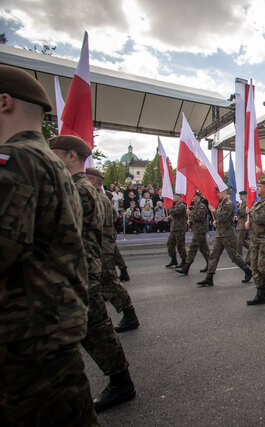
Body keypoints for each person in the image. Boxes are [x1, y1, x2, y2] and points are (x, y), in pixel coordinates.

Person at [0, 65, 97, 425]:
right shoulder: (48, 164)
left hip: (28, 328)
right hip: (46, 319)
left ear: (4, 102)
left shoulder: (19, 160)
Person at [50, 137, 136, 412]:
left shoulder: (80, 190)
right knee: (91, 328)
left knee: (94, 328)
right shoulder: (82, 189)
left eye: (55, 155)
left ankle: (119, 383)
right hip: (81, 267)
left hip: (81, 269)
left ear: (71, 156)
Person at [86, 168, 141, 334]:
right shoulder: (100, 198)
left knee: (109, 281)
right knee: (102, 282)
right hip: (101, 245)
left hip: (102, 245)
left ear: (93, 181)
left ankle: (129, 315)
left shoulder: (98, 199)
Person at [197, 188, 253, 287]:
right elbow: (221, 219)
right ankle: (209, 277)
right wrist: (216, 222)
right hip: (220, 234)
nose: (217, 194)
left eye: (218, 192)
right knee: (214, 255)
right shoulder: (221, 204)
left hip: (228, 234)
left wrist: (214, 211)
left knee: (234, 256)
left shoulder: (228, 204)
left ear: (224, 192)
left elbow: (224, 217)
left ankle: (247, 271)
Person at [176, 193, 211, 275]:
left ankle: (186, 267)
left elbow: (200, 217)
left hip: (200, 230)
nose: (192, 197)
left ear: (198, 197)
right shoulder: (195, 206)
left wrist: (190, 214)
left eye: (194, 196)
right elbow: (195, 218)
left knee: (193, 248)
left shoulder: (201, 206)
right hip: (197, 229)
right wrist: (190, 221)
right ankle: (210, 264)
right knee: (204, 249)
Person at [165, 193, 188, 268]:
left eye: (175, 197)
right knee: (170, 244)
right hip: (174, 228)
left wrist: (168, 207)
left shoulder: (182, 206)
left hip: (180, 228)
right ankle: (173, 259)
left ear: (179, 198)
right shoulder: (175, 206)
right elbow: (173, 215)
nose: (173, 198)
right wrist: (169, 218)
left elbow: (175, 212)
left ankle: (184, 260)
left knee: (180, 245)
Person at [236, 190, 251, 264]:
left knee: (239, 241)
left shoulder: (246, 204)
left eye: (241, 195)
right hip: (240, 224)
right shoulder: (242, 204)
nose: (240, 196)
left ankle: (239, 256)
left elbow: (243, 213)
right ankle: (251, 248)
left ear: (245, 196)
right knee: (242, 241)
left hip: (243, 224)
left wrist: (238, 208)